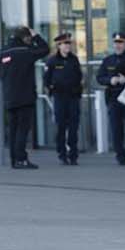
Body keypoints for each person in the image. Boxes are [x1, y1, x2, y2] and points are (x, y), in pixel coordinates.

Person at [0, 26, 48, 169]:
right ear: (25, 37)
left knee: (13, 129)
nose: (30, 41)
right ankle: (21, 159)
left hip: (9, 96)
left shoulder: (3, 52)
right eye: (29, 38)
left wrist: (9, 82)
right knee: (22, 129)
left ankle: (14, 159)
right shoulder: (26, 52)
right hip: (25, 96)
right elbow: (45, 49)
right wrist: (36, 36)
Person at [97, 33, 125, 165]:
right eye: (116, 43)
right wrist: (110, 80)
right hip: (113, 98)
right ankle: (120, 156)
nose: (118, 45)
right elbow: (100, 77)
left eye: (121, 43)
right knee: (116, 129)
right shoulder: (108, 60)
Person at [44, 33, 85, 166]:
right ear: (59, 45)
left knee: (73, 126)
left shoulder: (74, 59)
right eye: (65, 44)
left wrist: (79, 89)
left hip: (73, 96)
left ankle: (73, 154)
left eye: (69, 43)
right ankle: (62, 153)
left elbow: (79, 76)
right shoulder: (52, 61)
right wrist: (51, 88)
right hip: (60, 97)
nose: (68, 46)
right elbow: (47, 79)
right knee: (61, 126)